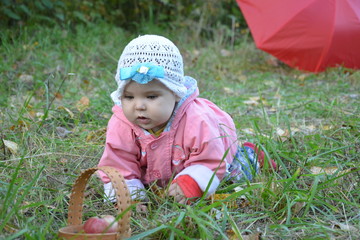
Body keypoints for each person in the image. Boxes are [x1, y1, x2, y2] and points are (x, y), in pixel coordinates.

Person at [97, 35, 277, 205]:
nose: (139, 106)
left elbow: (209, 159)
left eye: (151, 97)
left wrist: (193, 181)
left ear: (175, 93)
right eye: (129, 97)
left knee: (234, 176)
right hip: (159, 168)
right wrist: (129, 196)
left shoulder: (197, 120)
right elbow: (118, 162)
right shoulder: (122, 123)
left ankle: (252, 154)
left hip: (217, 151)